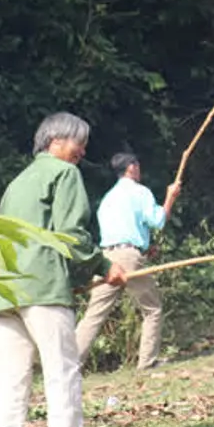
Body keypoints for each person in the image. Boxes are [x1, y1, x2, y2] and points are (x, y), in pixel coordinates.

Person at [0, 112, 127, 427]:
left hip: (4, 290)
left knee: (11, 376)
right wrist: (104, 266)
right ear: (54, 142)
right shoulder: (64, 173)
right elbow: (72, 235)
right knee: (61, 368)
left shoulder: (16, 183)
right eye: (76, 141)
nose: (82, 149)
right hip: (44, 288)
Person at [74, 152, 182, 370]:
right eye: (138, 165)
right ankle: (147, 363)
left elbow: (121, 231)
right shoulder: (140, 192)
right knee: (152, 309)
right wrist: (171, 196)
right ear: (132, 167)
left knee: (94, 314)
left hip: (106, 258)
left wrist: (143, 247)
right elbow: (159, 221)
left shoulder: (108, 199)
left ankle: (69, 365)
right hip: (128, 257)